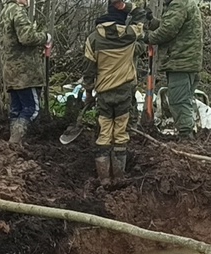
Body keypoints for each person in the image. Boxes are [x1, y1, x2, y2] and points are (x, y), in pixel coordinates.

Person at [84, 0, 145, 183]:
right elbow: (141, 14)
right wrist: (127, 6)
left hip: (103, 93)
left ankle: (104, 180)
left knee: (104, 133)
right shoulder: (130, 35)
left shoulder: (93, 38)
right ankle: (118, 178)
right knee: (120, 134)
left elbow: (88, 70)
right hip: (124, 92)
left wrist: (88, 92)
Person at [145, 0, 202, 140]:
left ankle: (187, 138)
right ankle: (188, 134)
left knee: (178, 101)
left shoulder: (178, 3)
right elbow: (171, 25)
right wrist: (152, 22)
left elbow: (167, 31)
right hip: (187, 61)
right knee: (184, 100)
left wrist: (146, 37)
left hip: (181, 62)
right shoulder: (184, 3)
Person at [0, 0, 50, 146]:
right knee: (32, 109)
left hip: (10, 71)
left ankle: (14, 144)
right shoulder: (18, 12)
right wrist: (46, 37)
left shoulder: (4, 12)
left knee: (16, 108)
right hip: (25, 73)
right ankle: (16, 141)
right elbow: (26, 38)